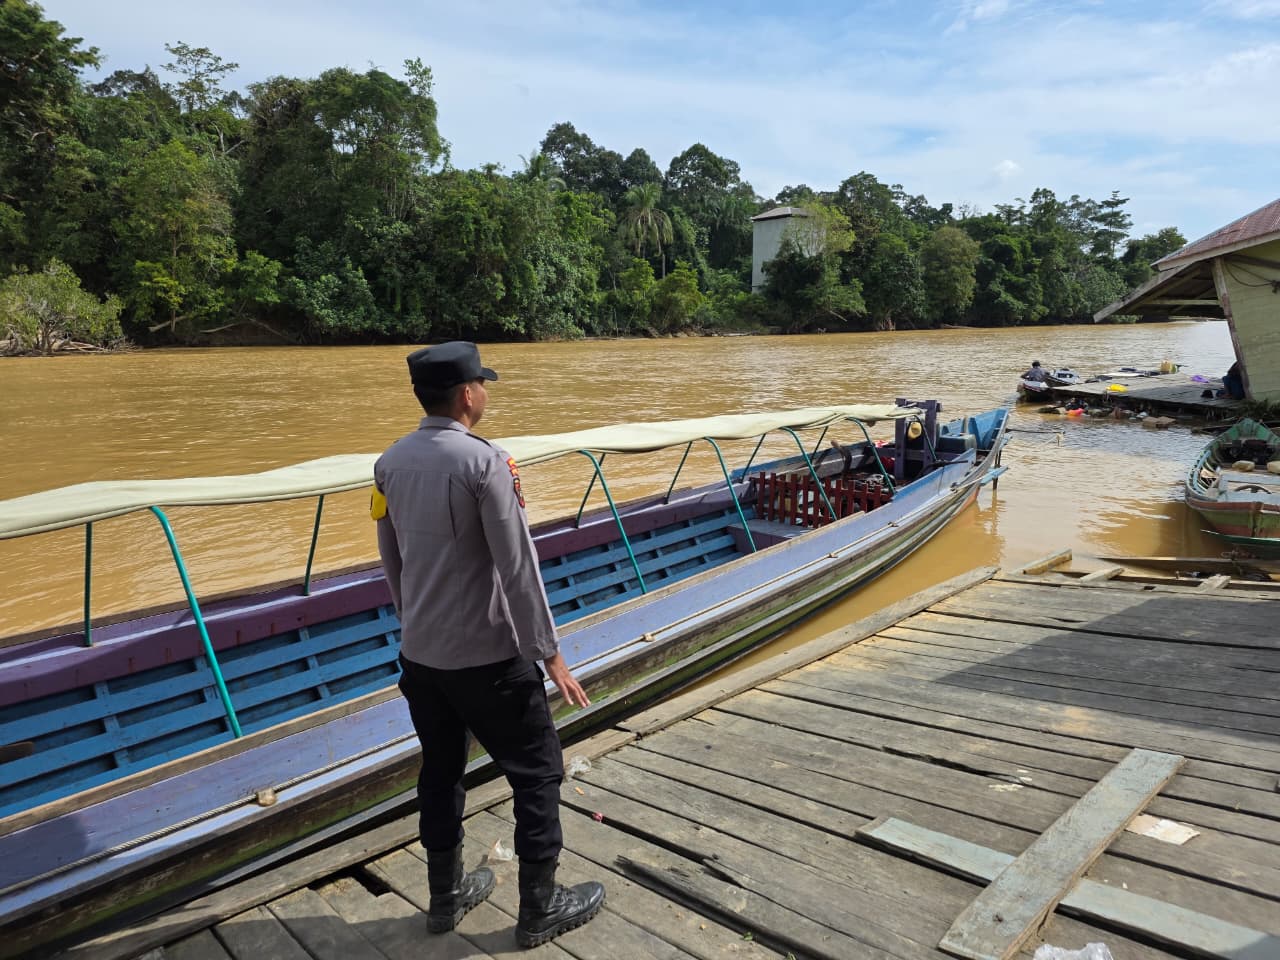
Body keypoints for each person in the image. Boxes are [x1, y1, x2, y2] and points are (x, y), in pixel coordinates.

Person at [373, 341, 605, 948]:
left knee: (441, 771)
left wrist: (413, 624)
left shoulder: (389, 462)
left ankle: (444, 898)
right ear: (467, 395)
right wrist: (549, 653)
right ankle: (540, 907)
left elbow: (391, 560)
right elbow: (517, 565)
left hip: (422, 658)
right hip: (490, 659)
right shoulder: (486, 463)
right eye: (483, 384)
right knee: (537, 772)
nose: (484, 393)